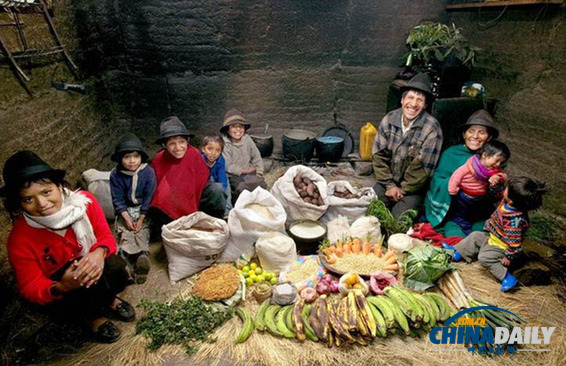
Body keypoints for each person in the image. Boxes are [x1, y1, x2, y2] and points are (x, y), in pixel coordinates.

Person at [2, 151, 134, 344]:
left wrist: (99, 253)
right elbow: (30, 286)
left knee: (115, 267)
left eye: (46, 192)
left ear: (59, 186)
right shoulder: (20, 239)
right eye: (28, 199)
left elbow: (105, 237)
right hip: (62, 285)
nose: (42, 204)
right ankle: (92, 318)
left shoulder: (85, 203)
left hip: (92, 264)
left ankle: (110, 300)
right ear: (19, 203)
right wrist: (61, 286)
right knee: (75, 297)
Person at [447, 177, 546, 292]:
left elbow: (515, 244)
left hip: (501, 246)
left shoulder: (513, 222)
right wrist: (494, 184)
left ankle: (507, 277)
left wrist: (508, 256)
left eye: (507, 189)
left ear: (511, 200)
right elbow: (498, 193)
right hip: (493, 236)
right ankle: (458, 253)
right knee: (475, 236)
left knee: (484, 258)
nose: (505, 189)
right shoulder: (509, 202)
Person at [372, 73, 443, 218]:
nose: (414, 104)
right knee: (371, 212)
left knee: (398, 221)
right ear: (402, 100)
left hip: (413, 189)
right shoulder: (389, 119)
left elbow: (423, 169)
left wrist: (402, 190)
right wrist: (390, 185)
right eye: (410, 98)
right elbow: (379, 156)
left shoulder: (432, 129)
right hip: (387, 182)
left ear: (425, 105)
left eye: (420, 100)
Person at [424, 109, 500, 237]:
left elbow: (497, 191)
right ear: (464, 134)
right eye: (471, 131)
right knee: (455, 234)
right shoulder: (452, 153)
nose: (475, 136)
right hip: (453, 208)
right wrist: (457, 184)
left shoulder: (494, 158)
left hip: (479, 210)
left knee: (481, 233)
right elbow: (437, 180)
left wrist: (493, 185)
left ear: (489, 137)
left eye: (481, 133)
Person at [150, 116, 226, 226]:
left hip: (195, 199)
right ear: (165, 145)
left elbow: (202, 179)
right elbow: (158, 189)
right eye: (172, 144)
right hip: (171, 203)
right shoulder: (159, 159)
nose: (178, 147)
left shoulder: (193, 154)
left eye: (181, 142)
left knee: (217, 189)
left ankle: (214, 223)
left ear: (187, 141)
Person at [110, 133, 156, 284]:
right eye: (126, 157)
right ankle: (128, 264)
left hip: (144, 210)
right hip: (126, 211)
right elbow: (117, 199)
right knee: (126, 232)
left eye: (135, 156)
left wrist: (142, 218)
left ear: (141, 157)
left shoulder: (148, 172)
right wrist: (127, 219)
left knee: (142, 231)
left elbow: (149, 197)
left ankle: (141, 258)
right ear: (120, 159)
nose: (131, 161)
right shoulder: (115, 175)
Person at [448, 140, 510, 235]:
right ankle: (462, 226)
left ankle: (473, 222)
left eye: (501, 162)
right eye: (497, 160)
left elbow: (504, 175)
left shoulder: (494, 169)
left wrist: (498, 177)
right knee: (461, 213)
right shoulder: (469, 166)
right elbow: (456, 177)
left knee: (474, 213)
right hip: (464, 197)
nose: (498, 164)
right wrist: (453, 191)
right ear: (484, 155)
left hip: (480, 197)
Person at [221, 109, 266, 202]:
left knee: (262, 185)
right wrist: (244, 171)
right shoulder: (225, 143)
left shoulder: (247, 139)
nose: (238, 130)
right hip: (233, 175)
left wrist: (259, 172)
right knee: (242, 189)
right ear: (227, 130)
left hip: (249, 173)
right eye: (234, 127)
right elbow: (227, 166)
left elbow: (256, 157)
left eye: (241, 127)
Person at [201, 134, 232, 217]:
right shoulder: (200, 159)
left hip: (215, 181)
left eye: (217, 150)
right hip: (204, 185)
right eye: (210, 149)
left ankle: (227, 209)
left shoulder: (220, 160)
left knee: (226, 182)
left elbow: (222, 178)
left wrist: (222, 192)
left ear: (221, 152)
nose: (213, 153)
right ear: (203, 149)